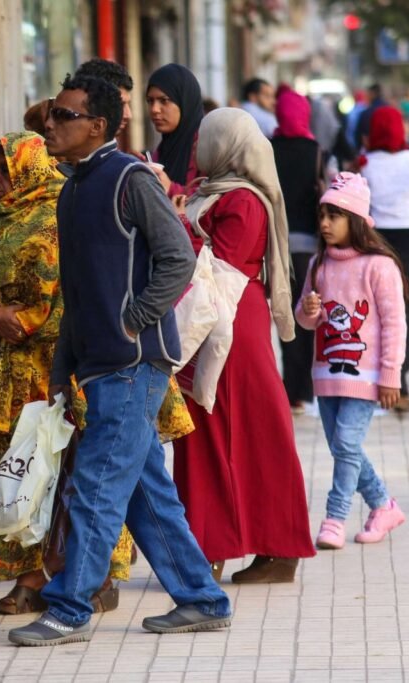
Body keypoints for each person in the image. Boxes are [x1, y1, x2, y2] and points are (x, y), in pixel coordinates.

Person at [7, 74, 231, 647]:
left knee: (96, 488)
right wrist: (62, 369)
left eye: (63, 116)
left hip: (135, 365)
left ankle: (69, 609)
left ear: (97, 126)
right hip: (98, 367)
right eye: (53, 115)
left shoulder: (129, 178)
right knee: (142, 492)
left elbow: (178, 257)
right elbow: (76, 292)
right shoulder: (72, 188)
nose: (50, 124)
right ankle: (203, 598)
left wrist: (134, 318)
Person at [0, 132, 131, 616]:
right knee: (19, 474)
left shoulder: (62, 209)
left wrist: (28, 321)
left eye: (4, 169)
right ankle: (33, 574)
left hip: (56, 372)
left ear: (28, 168)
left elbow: (76, 288)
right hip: (4, 378)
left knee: (69, 473)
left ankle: (85, 576)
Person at [172, 108, 316, 584]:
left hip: (229, 327)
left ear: (226, 145)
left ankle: (221, 549)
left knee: (222, 434)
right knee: (241, 434)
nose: (196, 148)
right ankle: (260, 547)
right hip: (222, 323)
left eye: (204, 140)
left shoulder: (243, 201)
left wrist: (174, 230)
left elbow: (219, 269)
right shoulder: (212, 192)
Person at [295, 173, 408, 549]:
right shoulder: (318, 264)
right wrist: (308, 310)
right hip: (326, 372)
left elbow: (394, 323)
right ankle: (383, 505)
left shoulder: (379, 266)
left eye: (335, 215)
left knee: (345, 443)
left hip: (366, 374)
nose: (325, 223)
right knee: (343, 447)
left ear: (355, 220)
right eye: (322, 215)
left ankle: (335, 517)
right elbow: (305, 319)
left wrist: (391, 375)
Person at [361, 106, 409, 412]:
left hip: (378, 246)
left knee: (378, 317)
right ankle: (399, 382)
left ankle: (379, 378)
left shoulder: (365, 165)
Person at [272, 89, 323, 413]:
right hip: (309, 246)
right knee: (308, 312)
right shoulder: (315, 149)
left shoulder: (269, 148)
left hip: (278, 245)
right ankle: (305, 389)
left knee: (285, 314)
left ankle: (290, 390)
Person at [146, 64, 205, 197]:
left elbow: (215, 198)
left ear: (184, 101)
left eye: (164, 100)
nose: (154, 109)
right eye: (150, 101)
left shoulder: (206, 147)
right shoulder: (162, 150)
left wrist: (172, 188)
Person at [354, 84, 387, 151]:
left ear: (372, 94)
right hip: (390, 151)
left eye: (367, 94)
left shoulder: (367, 112)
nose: (366, 96)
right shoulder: (390, 109)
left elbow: (360, 135)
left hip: (372, 150)